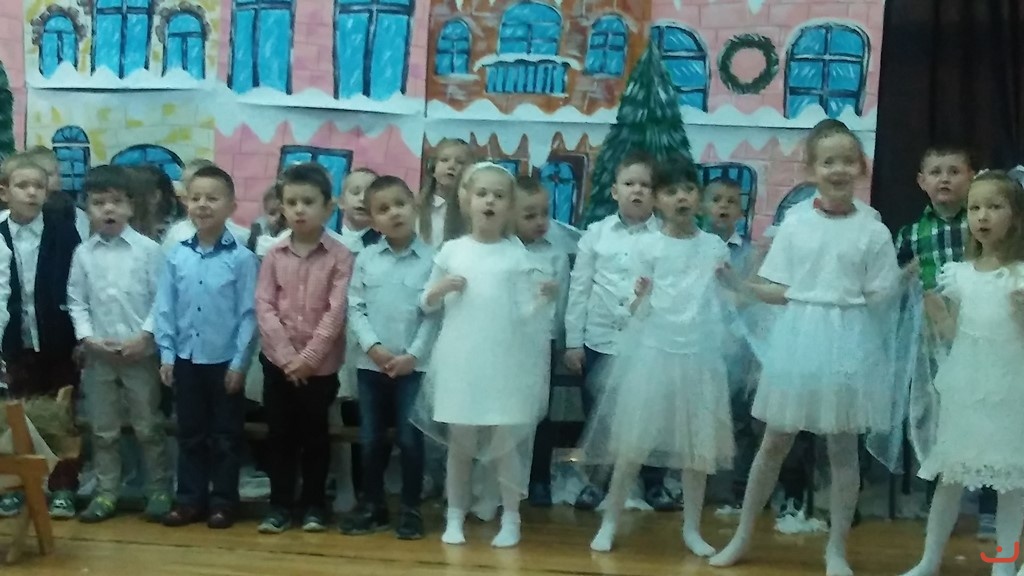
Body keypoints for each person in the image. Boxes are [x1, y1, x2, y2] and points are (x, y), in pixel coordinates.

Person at [710, 120, 916, 576]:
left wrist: (902, 282)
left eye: (847, 160)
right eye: (828, 161)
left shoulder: (873, 230)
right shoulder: (797, 223)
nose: (838, 169)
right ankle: (742, 535)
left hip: (848, 343)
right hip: (800, 339)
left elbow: (878, 298)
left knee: (842, 450)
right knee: (774, 442)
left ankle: (836, 548)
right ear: (811, 169)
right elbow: (782, 290)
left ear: (861, 167)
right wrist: (742, 286)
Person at [583, 164, 735, 555]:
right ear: (657, 201)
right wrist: (640, 297)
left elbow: (724, 301)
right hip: (652, 354)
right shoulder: (647, 247)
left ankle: (692, 529)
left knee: (697, 451)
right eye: (670, 192)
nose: (681, 198)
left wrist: (732, 284)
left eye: (688, 190)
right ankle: (610, 521)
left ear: (698, 198)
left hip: (699, 355)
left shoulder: (713, 247)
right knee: (631, 446)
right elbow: (636, 308)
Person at [418, 162, 553, 548]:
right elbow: (425, 302)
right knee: (460, 444)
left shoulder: (516, 254)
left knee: (505, 446)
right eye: (482, 194)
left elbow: (523, 315)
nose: (489, 201)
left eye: (498, 196)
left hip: (504, 363)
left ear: (509, 206)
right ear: (467, 200)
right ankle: (455, 516)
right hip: (461, 361)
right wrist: (440, 289)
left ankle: (511, 519)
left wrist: (543, 300)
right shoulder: (452, 250)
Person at [900, 171, 1024, 576]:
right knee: (950, 477)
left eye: (994, 207)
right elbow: (954, 334)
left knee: (1012, 483)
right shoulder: (959, 273)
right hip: (968, 387)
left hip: (1012, 389)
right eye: (975, 208)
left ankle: (1004, 565)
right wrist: (939, 317)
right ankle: (929, 559)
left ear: (1016, 215)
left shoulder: (1021, 275)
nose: (982, 216)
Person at [563, 151, 677, 511]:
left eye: (645, 185)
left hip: (648, 344)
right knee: (599, 414)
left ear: (656, 194)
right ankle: (597, 482)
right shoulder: (596, 235)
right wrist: (573, 342)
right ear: (615, 191)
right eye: (629, 184)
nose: (637, 191)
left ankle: (654, 483)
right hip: (599, 341)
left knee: (652, 414)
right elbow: (579, 289)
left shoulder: (666, 237)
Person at [895, 146, 996, 537]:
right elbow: (896, 283)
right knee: (937, 419)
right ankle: (940, 503)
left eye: (954, 171)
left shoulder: (983, 224)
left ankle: (989, 503)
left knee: (987, 416)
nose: (945, 178)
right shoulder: (911, 234)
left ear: (971, 177)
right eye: (936, 172)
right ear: (922, 182)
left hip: (981, 333)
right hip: (932, 341)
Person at [155, 165, 259, 529]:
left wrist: (239, 363)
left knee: (226, 437)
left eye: (212, 198)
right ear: (186, 203)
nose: (202, 205)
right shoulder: (176, 255)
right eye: (195, 197)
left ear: (231, 206)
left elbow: (249, 315)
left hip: (224, 362)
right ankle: (189, 500)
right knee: (190, 434)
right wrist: (167, 354)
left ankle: (223, 501)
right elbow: (165, 308)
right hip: (185, 359)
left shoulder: (242, 259)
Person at [67, 165, 171, 523]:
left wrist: (145, 337)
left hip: (139, 353)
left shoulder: (149, 250)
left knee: (148, 426)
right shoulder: (83, 254)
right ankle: (106, 492)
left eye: (115, 202)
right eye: (99, 203)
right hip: (99, 356)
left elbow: (162, 301)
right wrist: (88, 338)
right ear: (87, 209)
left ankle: (158, 489)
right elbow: (76, 302)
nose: (108, 209)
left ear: (130, 206)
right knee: (103, 430)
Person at [255, 163, 354, 534]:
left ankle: (314, 505)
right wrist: (286, 357)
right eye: (292, 202)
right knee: (279, 436)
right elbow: (264, 306)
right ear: (282, 207)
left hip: (320, 367)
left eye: (309, 202)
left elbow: (336, 312)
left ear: (328, 207)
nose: (299, 210)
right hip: (277, 364)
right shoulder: (274, 254)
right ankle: (279, 505)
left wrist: (308, 359)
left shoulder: (340, 256)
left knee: (315, 437)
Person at [341, 175, 438, 540]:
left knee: (411, 439)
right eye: (383, 209)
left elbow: (434, 315)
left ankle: (411, 509)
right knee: (371, 439)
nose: (394, 213)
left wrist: (413, 355)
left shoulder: (433, 260)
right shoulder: (366, 259)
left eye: (400, 204)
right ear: (372, 219)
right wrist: (373, 348)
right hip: (371, 367)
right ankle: (373, 505)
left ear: (413, 205)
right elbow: (355, 307)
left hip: (414, 368)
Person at [0, 152, 81, 519]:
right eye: (22, 186)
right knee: (15, 416)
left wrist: (79, 338)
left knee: (62, 415)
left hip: (58, 340)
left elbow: (76, 285)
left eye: (38, 186)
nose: (31, 193)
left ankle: (64, 487)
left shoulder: (62, 231)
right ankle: (16, 488)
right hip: (13, 342)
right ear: (5, 192)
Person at [512, 176, 571, 507]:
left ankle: (539, 479)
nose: (539, 221)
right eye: (529, 215)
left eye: (544, 213)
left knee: (540, 413)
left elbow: (561, 305)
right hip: (504, 343)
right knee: (505, 413)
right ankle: (503, 479)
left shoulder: (555, 255)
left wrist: (560, 342)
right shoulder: (503, 250)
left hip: (541, 344)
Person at [703, 177, 759, 510]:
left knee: (738, 416)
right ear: (702, 206)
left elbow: (751, 296)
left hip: (736, 346)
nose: (723, 206)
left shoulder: (749, 254)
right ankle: (697, 484)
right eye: (716, 200)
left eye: (731, 201)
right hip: (699, 343)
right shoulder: (694, 247)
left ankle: (737, 486)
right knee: (700, 415)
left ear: (740, 211)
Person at [418, 138, 471, 248]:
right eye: (444, 160)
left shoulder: (471, 211)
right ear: (433, 167)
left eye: (460, 162)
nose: (451, 166)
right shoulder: (417, 206)